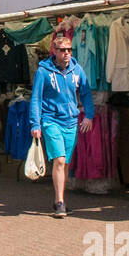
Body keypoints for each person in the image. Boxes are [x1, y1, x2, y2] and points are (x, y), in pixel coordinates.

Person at [29, 32, 94, 219]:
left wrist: (88, 115)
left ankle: (61, 198)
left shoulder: (77, 70)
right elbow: (36, 98)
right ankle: (59, 202)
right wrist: (35, 123)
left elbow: (86, 93)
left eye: (69, 50)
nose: (67, 53)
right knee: (58, 159)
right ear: (54, 51)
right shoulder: (43, 71)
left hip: (71, 121)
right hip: (51, 120)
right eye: (62, 50)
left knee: (65, 162)